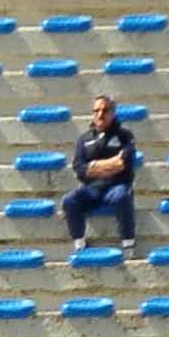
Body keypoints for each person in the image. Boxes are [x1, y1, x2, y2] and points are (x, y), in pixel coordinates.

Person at [61, 96, 141, 250]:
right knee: (69, 200)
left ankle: (128, 242)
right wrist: (106, 165)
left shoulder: (125, 136)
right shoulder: (83, 139)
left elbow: (121, 163)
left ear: (113, 113)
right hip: (91, 189)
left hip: (116, 186)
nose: (100, 114)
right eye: (96, 110)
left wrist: (92, 167)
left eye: (105, 110)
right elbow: (79, 169)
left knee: (122, 196)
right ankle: (80, 243)